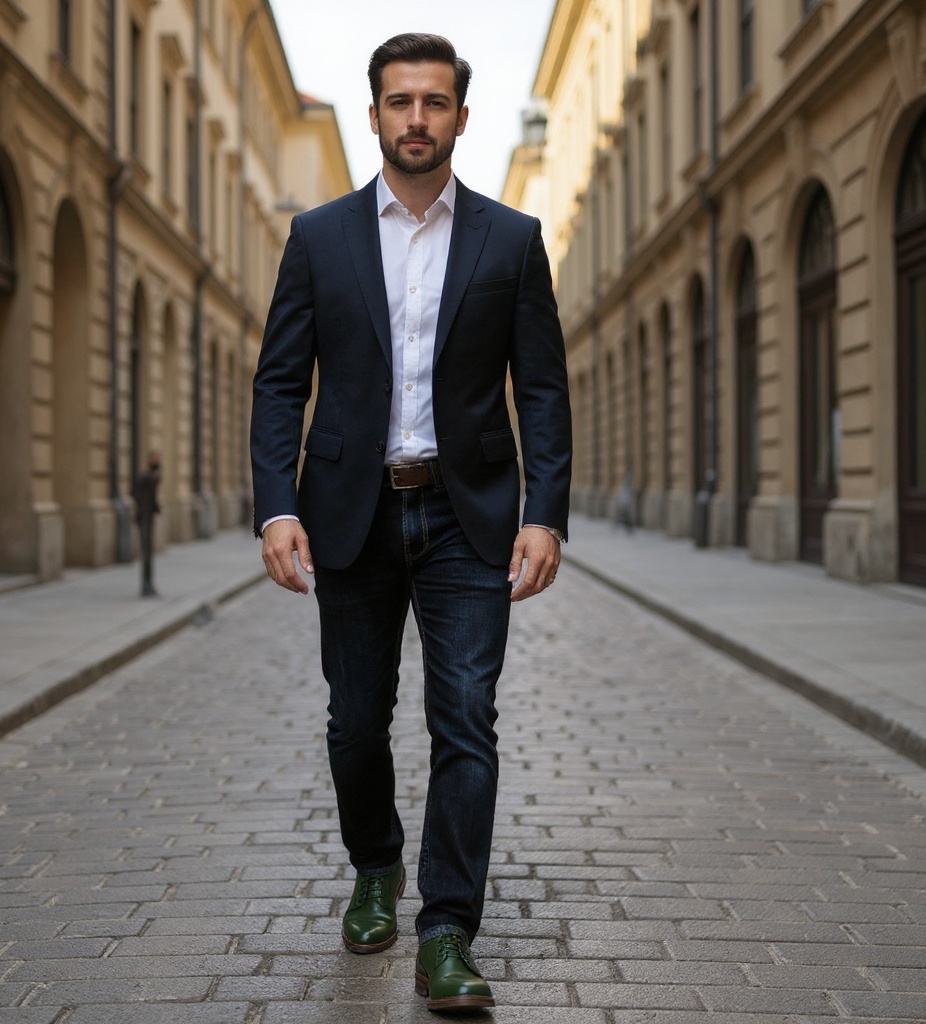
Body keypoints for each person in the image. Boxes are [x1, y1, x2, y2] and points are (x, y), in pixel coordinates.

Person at [250, 33, 572, 1013]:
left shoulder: (511, 239)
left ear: (461, 117)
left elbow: (542, 388)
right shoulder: (320, 238)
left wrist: (546, 514)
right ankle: (375, 864)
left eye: (434, 102)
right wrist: (275, 504)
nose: (417, 119)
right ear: (375, 114)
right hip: (348, 511)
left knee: (465, 717)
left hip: (469, 514)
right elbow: (279, 382)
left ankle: (447, 930)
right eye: (400, 102)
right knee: (355, 720)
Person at [132, 451, 162, 597]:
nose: (158, 461)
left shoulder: (154, 476)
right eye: (155, 458)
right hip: (144, 518)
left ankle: (149, 584)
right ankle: (145, 586)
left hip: (149, 518)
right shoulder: (144, 477)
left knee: (149, 554)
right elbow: (136, 494)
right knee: (146, 553)